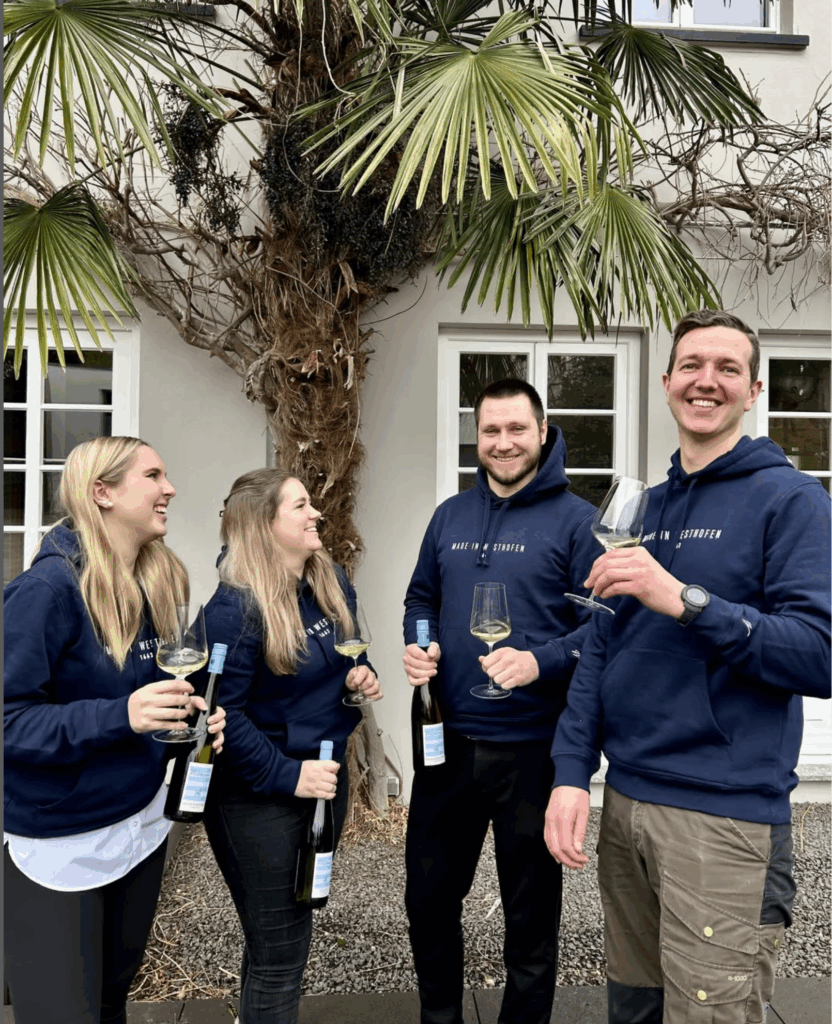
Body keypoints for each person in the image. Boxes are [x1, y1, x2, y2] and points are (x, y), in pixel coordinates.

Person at [545, 310, 831, 1024]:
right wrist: (572, 774)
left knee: (712, 1013)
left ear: (753, 389)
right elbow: (599, 645)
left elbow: (818, 654)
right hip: (629, 807)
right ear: (668, 381)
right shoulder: (647, 507)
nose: (708, 381)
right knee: (634, 1009)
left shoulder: (792, 502)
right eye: (693, 366)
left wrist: (684, 599)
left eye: (727, 368)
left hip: (722, 817)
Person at [3, 436, 226, 1024]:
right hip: (60, 842)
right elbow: (8, 719)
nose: (170, 489)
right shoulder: (47, 591)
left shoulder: (157, 579)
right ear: (101, 493)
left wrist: (195, 716)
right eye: (153, 475)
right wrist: (121, 715)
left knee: (109, 1004)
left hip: (141, 828)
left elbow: (161, 688)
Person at [403, 378, 598, 1024]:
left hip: (535, 750)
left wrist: (539, 660)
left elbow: (604, 625)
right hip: (446, 743)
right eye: (491, 431)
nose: (504, 442)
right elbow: (420, 599)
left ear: (543, 434)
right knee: (429, 900)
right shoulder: (450, 516)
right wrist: (420, 646)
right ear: (476, 437)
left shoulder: (578, 523)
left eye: (517, 429)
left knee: (531, 918)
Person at [200, 468, 381, 1024]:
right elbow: (220, 719)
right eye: (300, 506)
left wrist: (360, 678)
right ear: (264, 525)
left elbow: (350, 656)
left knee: (273, 941)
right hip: (258, 797)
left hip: (324, 781)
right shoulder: (233, 610)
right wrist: (290, 776)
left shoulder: (329, 579)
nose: (315, 514)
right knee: (282, 954)